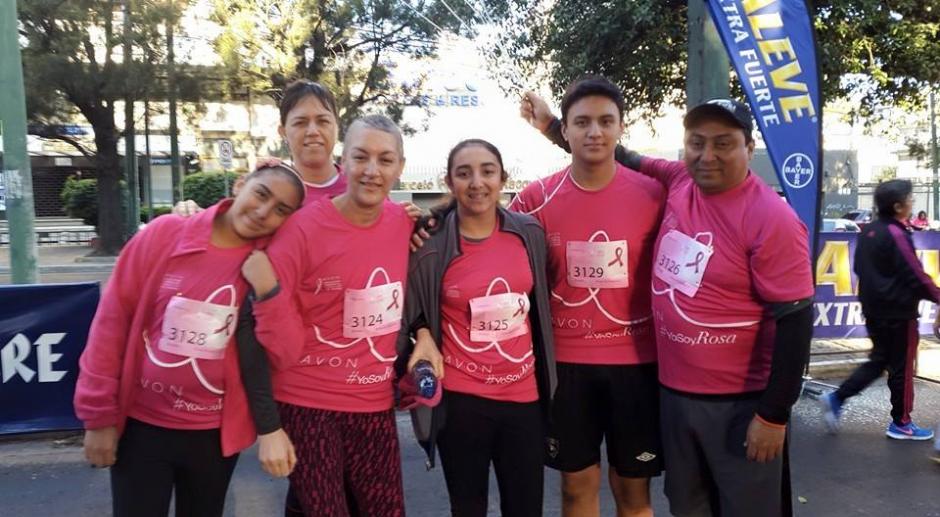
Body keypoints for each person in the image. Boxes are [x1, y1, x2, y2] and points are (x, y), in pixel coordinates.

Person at [522, 93, 814, 516]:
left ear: (749, 148)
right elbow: (608, 149)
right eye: (697, 142)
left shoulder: (773, 218)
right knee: (688, 507)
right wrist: (553, 126)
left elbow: (797, 319)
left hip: (739, 402)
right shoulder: (679, 181)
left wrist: (773, 414)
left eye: (724, 143)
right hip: (674, 395)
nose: (707, 155)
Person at [73, 164, 306, 517]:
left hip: (213, 437)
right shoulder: (166, 234)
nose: (263, 212)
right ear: (241, 185)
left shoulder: (270, 263)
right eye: (261, 194)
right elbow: (112, 322)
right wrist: (98, 416)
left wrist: (268, 290)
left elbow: (285, 352)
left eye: (280, 211)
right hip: (142, 428)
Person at [503, 76, 665, 517]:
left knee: (634, 494)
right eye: (583, 122)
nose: (594, 132)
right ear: (566, 130)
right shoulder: (536, 197)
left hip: (637, 365)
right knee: (577, 489)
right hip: (566, 368)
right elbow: (488, 237)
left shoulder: (654, 193)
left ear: (619, 127)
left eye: (605, 121)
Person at [240, 115, 413, 516]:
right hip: (308, 404)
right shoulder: (300, 230)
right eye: (361, 157)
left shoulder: (405, 223)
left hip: (373, 404)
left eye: (385, 160)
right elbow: (265, 333)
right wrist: (270, 425)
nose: (372, 171)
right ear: (343, 159)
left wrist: (422, 336)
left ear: (400, 167)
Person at [399, 139, 557, 516]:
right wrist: (422, 333)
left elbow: (543, 300)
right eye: (464, 173)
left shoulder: (529, 233)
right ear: (449, 182)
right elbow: (410, 307)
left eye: (487, 171)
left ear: (502, 178)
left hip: (524, 399)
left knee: (526, 508)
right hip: (462, 402)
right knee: (467, 508)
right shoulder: (430, 242)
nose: (477, 182)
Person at [822, 180, 940, 441]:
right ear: (898, 206)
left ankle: (836, 398)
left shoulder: (868, 231)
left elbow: (859, 269)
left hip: (874, 309)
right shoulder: (897, 234)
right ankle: (902, 423)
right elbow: (916, 275)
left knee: (879, 362)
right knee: (903, 369)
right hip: (899, 313)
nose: (913, 203)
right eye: (910, 199)